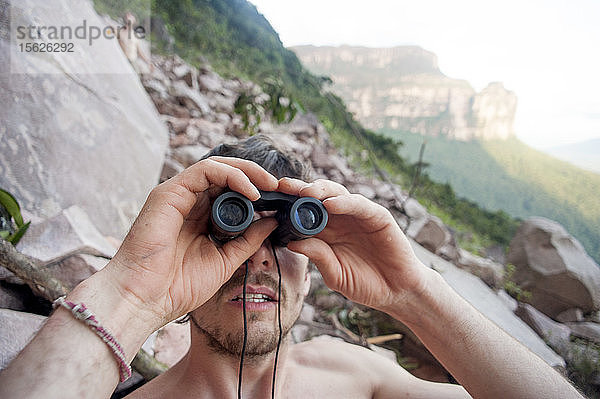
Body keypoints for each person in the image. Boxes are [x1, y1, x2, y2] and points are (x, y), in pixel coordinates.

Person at [0, 135, 583, 398]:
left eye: (281, 237)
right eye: (227, 233)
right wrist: (132, 297)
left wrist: (414, 292)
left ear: (312, 265)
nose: (255, 258)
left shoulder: (359, 380)